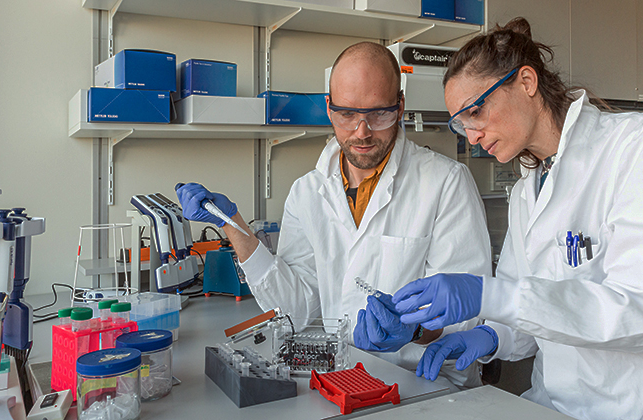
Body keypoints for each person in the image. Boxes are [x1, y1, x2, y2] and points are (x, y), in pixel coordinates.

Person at [391, 18, 643, 420]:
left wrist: (487, 295)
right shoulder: (526, 193)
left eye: (475, 111)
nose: (472, 136)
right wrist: (490, 335)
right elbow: (534, 311)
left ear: (527, 82)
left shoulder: (639, 147)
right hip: (566, 408)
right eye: (460, 124)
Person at [176, 41, 491, 387]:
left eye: (378, 114)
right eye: (347, 115)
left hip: (423, 385)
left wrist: (415, 330)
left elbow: (470, 314)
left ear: (400, 106)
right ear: (329, 108)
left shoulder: (445, 183)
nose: (362, 131)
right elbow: (297, 307)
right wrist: (233, 225)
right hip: (339, 380)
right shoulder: (307, 192)